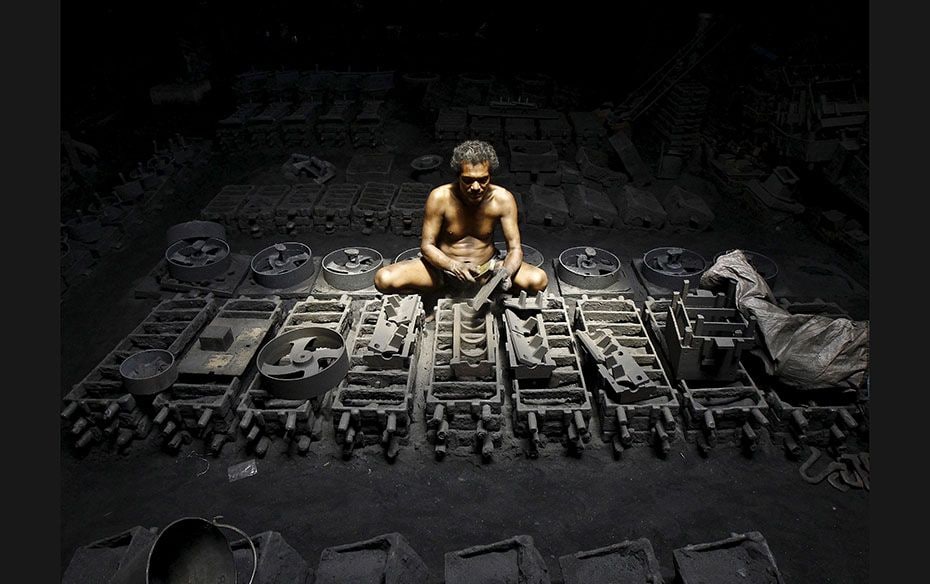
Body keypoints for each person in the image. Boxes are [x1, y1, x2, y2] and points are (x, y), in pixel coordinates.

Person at [375, 140, 548, 295]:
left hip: (488, 270)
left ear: (491, 176)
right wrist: (453, 266)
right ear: (457, 176)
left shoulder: (503, 199)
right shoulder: (440, 197)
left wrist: (504, 273)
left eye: (483, 180)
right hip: (443, 270)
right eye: (467, 180)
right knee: (383, 279)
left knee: (538, 280)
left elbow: (515, 249)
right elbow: (427, 246)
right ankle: (434, 294)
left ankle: (491, 291)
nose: (475, 187)